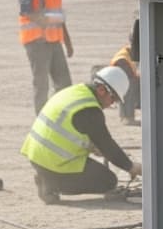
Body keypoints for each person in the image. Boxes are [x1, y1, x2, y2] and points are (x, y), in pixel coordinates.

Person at [21, 67, 141, 205]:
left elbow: (71, 129)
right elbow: (108, 146)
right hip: (53, 163)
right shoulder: (90, 110)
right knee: (108, 180)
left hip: (37, 158)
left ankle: (47, 178)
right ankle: (51, 184)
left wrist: (92, 146)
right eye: (113, 99)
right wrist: (131, 167)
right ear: (102, 90)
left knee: (98, 171)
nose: (111, 104)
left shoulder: (75, 92)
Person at [18, 0, 73, 115]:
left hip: (54, 41)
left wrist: (67, 41)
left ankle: (61, 116)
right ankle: (42, 120)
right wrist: (45, 21)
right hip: (36, 42)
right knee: (42, 84)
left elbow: (59, 14)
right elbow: (26, 11)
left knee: (64, 83)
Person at [111, 18, 140, 125]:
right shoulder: (124, 57)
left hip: (122, 68)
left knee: (128, 87)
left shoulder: (130, 50)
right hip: (121, 67)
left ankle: (126, 116)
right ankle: (127, 117)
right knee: (129, 87)